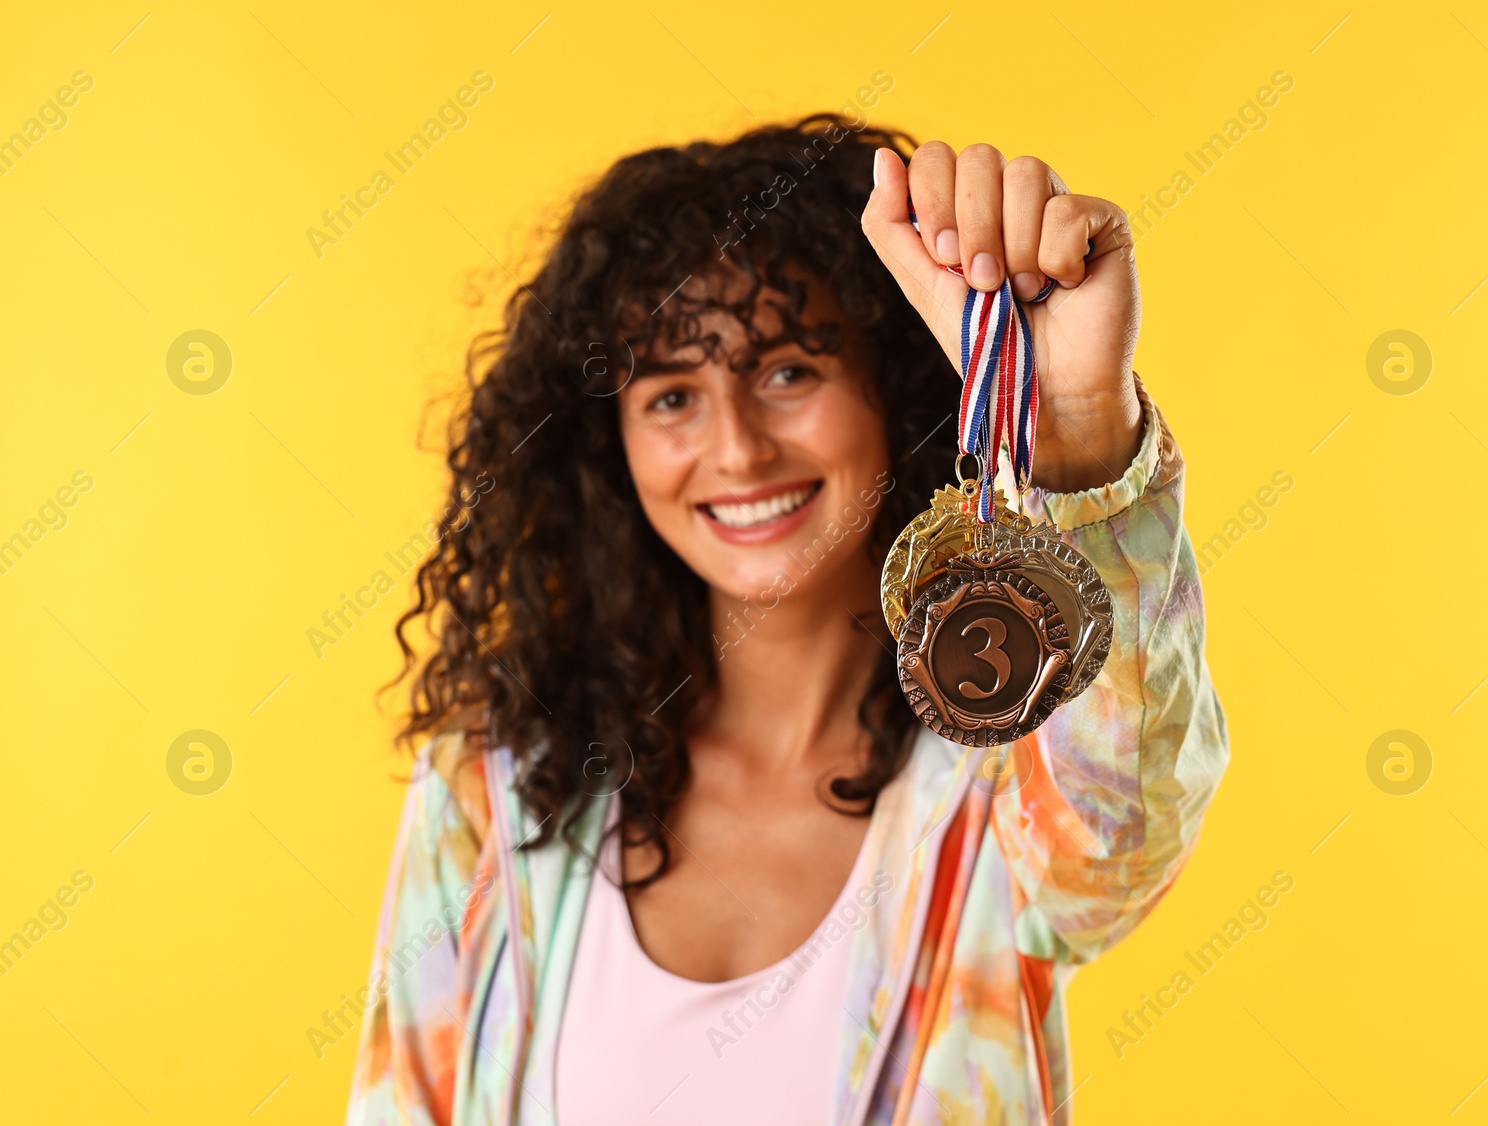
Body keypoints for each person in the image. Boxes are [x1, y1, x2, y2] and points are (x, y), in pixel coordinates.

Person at [345, 113, 1228, 1126]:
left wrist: (1072, 419)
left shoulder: (993, 787)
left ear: (894, 390)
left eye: (787, 371)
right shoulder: (498, 784)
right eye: (671, 396)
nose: (735, 450)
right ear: (609, 450)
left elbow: (1119, 830)